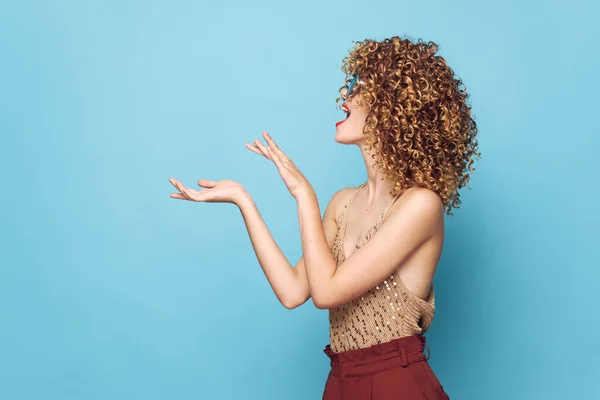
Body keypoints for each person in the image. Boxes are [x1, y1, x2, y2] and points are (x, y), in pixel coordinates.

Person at [169, 36, 480, 399]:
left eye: (357, 87)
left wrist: (303, 195)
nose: (344, 98)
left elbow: (328, 292)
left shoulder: (420, 206)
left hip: (397, 383)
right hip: (341, 382)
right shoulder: (343, 204)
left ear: (392, 108)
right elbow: (292, 292)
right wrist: (243, 200)